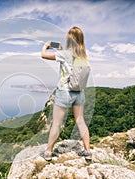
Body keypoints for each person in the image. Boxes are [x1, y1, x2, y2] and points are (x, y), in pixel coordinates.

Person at [40, 26, 92, 162]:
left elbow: (43, 55)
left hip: (65, 92)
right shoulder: (83, 56)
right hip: (79, 92)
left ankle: (48, 152)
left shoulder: (64, 54)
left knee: (57, 123)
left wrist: (46, 46)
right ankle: (87, 151)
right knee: (80, 121)